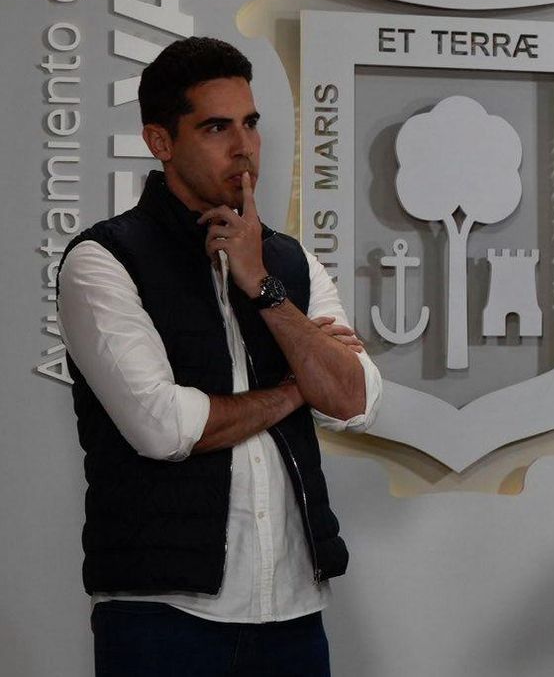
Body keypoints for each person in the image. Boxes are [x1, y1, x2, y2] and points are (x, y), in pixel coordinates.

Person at [58, 36, 383, 676]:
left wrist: (263, 287)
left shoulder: (288, 262)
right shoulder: (103, 261)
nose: (244, 147)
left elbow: (355, 399)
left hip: (293, 614)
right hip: (161, 618)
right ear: (160, 142)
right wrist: (295, 391)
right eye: (215, 127)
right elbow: (162, 427)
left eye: (251, 124)